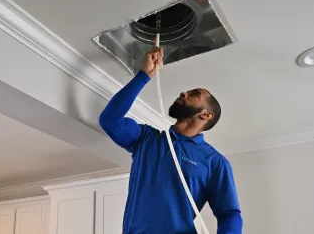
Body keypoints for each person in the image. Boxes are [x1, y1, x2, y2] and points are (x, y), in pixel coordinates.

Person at [99, 43, 243, 234]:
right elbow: (110, 121)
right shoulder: (147, 138)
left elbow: (229, 213)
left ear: (206, 115)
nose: (184, 93)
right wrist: (144, 75)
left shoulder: (215, 162)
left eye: (194, 95)